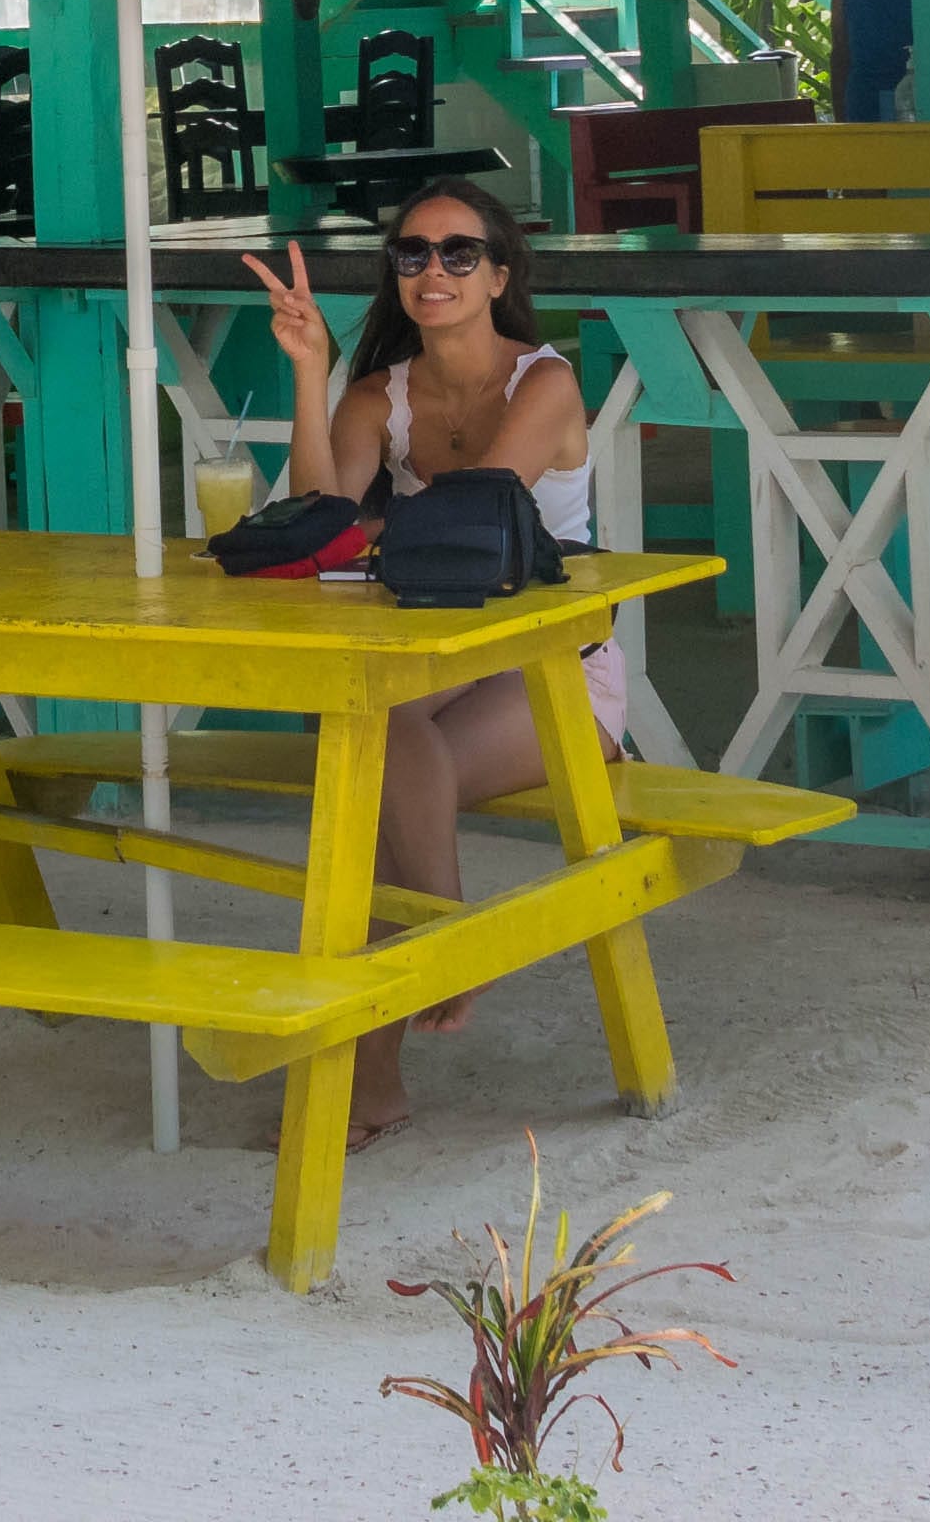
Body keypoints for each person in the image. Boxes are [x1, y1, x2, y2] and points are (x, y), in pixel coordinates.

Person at [242, 185, 621, 1149]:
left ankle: (385, 1060)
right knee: (377, 743)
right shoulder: (380, 395)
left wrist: (374, 525)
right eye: (413, 254)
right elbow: (321, 527)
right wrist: (313, 375)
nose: (434, 271)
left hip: (551, 664)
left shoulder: (545, 382)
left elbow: (479, 518)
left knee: (371, 780)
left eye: (460, 253)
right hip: (434, 651)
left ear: (499, 274)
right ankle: (447, 938)